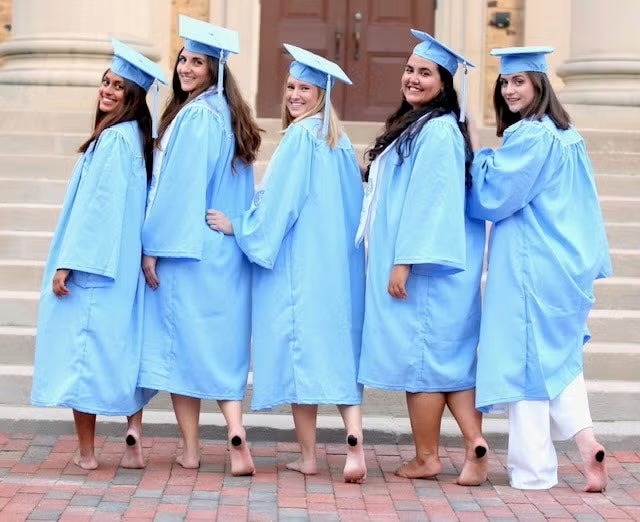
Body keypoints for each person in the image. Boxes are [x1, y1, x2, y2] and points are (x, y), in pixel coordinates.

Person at [207, 44, 367, 483]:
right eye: (291, 86)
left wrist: (238, 226)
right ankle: (353, 442)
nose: (294, 95)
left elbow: (281, 205)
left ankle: (311, 455)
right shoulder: (339, 141)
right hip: (338, 268)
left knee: (302, 354)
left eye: (305, 88)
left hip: (302, 267)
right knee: (338, 353)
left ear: (322, 94)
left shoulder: (300, 138)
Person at [466, 46, 611, 492]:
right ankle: (588, 445)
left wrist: (476, 151)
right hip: (565, 262)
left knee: (524, 364)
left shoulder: (531, 137)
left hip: (532, 265)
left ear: (539, 86)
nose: (509, 90)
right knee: (556, 360)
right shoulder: (567, 135)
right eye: (505, 82)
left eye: (518, 82)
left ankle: (533, 472)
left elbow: (495, 196)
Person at [355, 29, 488, 486]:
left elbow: (431, 203)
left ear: (445, 83)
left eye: (425, 73)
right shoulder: (421, 126)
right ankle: (475, 444)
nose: (413, 78)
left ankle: (427, 457)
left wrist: (404, 260)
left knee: (423, 366)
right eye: (410, 70)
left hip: (425, 271)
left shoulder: (436, 132)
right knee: (445, 363)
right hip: (428, 268)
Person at [30, 39, 167, 470]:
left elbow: (98, 210)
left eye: (119, 86)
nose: (107, 90)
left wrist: (69, 262)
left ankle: (87, 455)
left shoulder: (112, 141)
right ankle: (133, 433)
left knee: (82, 359)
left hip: (94, 267)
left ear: (133, 97)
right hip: (121, 264)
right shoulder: (137, 139)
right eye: (105, 82)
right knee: (122, 349)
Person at [138, 16, 262, 474]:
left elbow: (179, 190)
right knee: (222, 347)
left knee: (182, 351)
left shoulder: (194, 117)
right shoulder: (233, 118)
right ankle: (234, 429)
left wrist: (153, 246)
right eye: (183, 59)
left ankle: (190, 450)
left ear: (215, 71)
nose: (186, 68)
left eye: (197, 62)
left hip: (188, 249)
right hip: (225, 250)